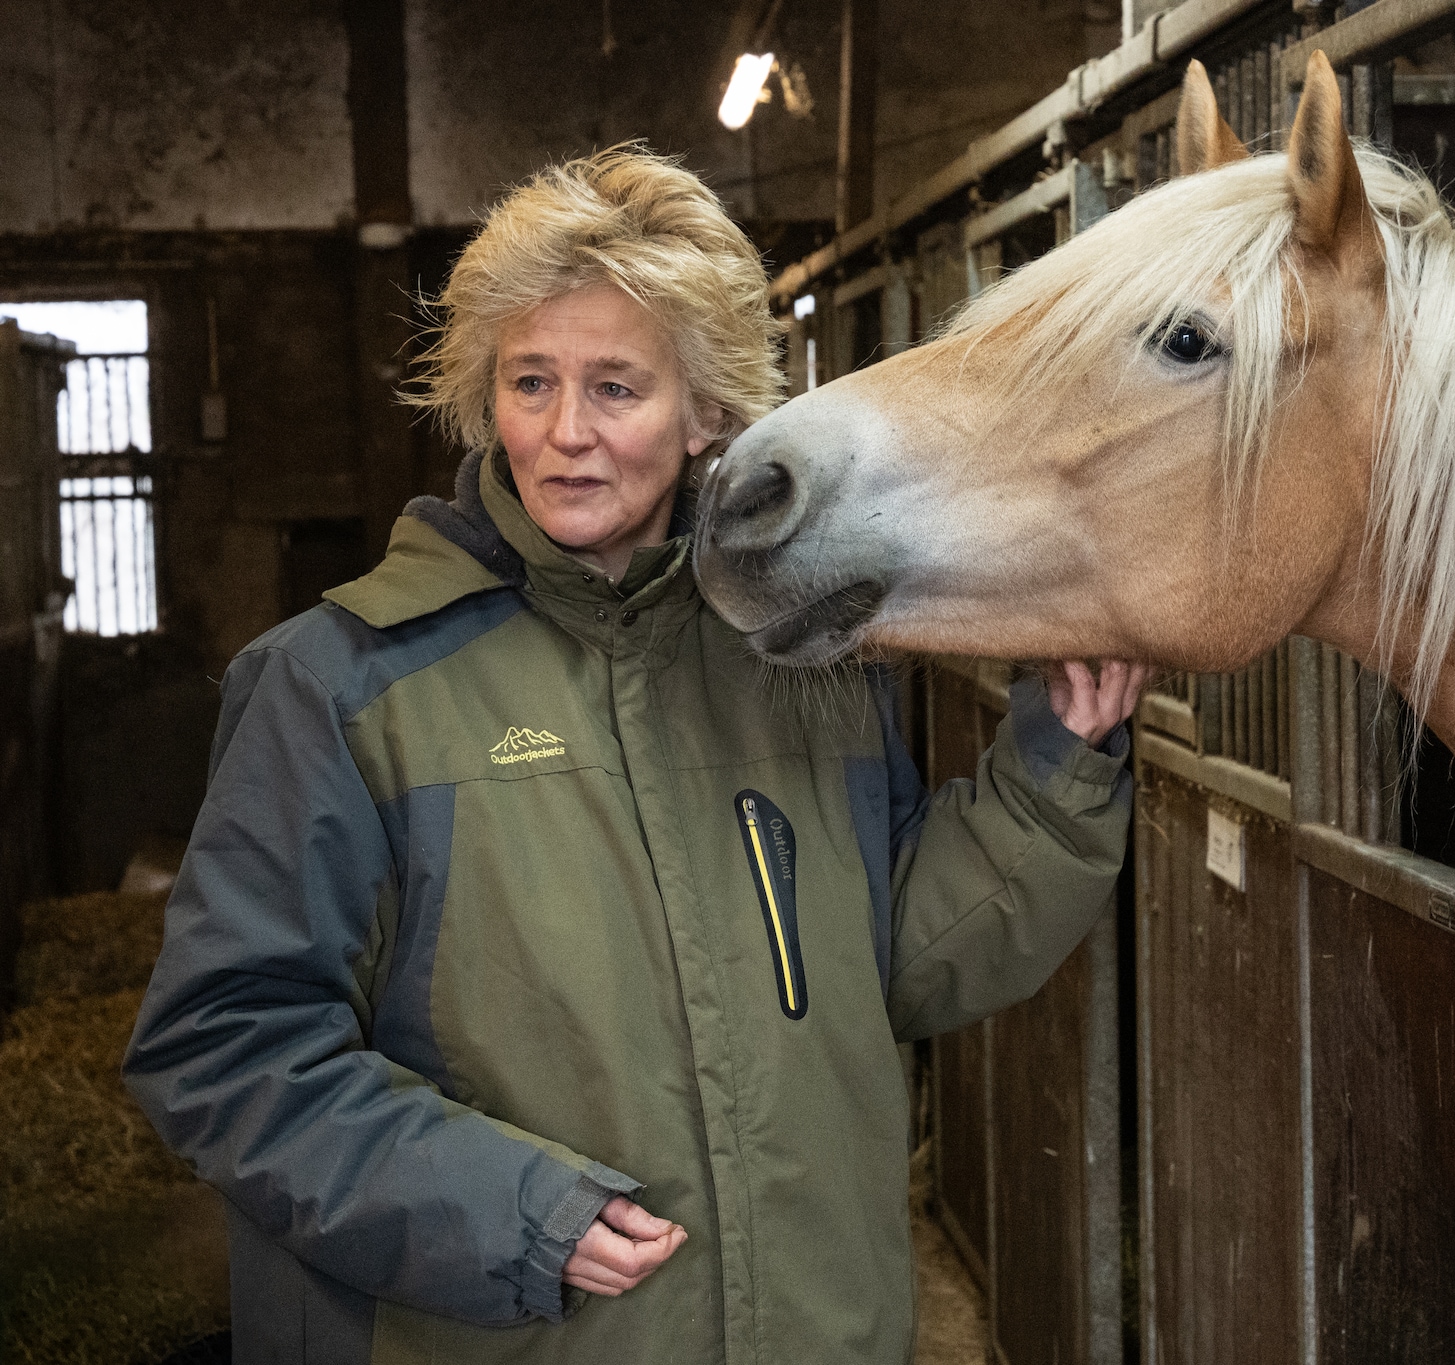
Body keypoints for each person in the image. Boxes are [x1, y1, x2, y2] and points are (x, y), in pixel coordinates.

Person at [124, 144, 1149, 1362]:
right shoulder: (345, 685)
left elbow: (897, 967)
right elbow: (226, 1042)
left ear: (707, 408)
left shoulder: (800, 666)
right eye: (529, 382)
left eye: (615, 388)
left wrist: (1053, 773)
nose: (564, 434)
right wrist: (504, 1212)